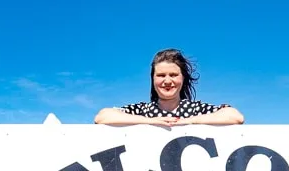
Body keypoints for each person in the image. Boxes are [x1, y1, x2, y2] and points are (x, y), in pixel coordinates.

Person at [94, 49, 244, 127]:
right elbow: (102, 116)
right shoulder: (143, 110)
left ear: (183, 78)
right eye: (160, 75)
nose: (167, 81)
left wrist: (190, 121)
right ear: (153, 80)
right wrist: (149, 121)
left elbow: (235, 116)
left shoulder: (196, 109)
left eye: (173, 75)